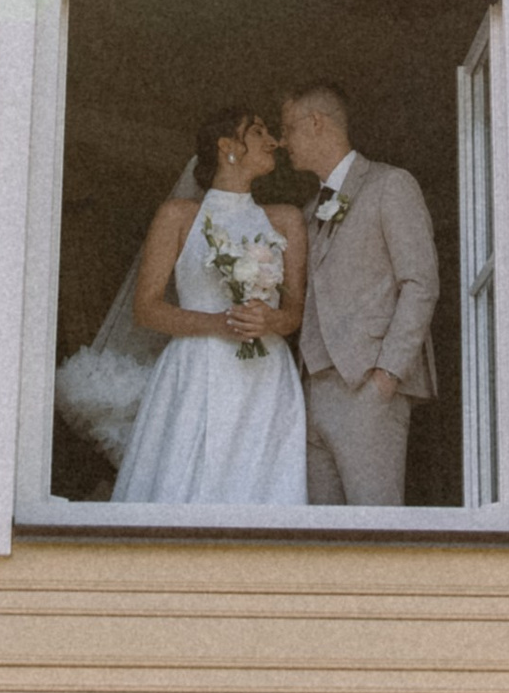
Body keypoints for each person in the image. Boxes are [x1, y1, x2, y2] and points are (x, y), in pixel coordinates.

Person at [111, 104, 308, 509]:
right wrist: (220, 322)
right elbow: (147, 309)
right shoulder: (178, 217)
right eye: (257, 132)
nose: (273, 141)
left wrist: (269, 318)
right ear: (227, 147)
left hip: (263, 376)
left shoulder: (286, 220)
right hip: (198, 368)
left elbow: (294, 315)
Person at [278, 83, 438, 509]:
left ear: (316, 124)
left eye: (288, 128)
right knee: (323, 537)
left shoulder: (390, 185)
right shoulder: (311, 208)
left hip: (367, 386)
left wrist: (387, 375)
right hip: (313, 389)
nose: (282, 141)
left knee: (375, 525)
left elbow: (420, 282)